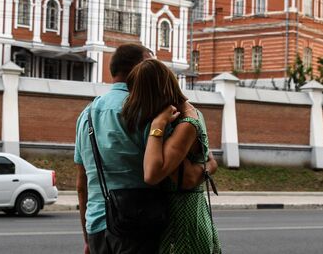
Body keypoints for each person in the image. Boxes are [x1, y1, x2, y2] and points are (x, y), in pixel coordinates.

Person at [74, 44, 216, 254]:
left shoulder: (85, 116)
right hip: (137, 225)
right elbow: (181, 174)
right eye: (150, 62)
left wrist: (87, 238)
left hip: (96, 226)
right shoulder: (147, 111)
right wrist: (209, 166)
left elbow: (81, 184)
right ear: (139, 70)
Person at [122, 59, 222, 254]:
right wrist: (209, 167)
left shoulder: (185, 124)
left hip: (182, 222)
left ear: (150, 93)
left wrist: (156, 126)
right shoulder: (192, 112)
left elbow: (152, 174)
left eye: (137, 94)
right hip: (186, 214)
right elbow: (206, 162)